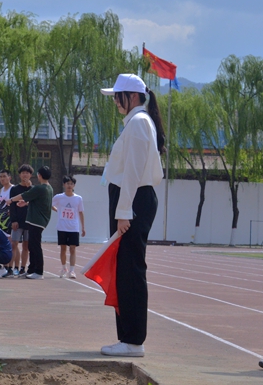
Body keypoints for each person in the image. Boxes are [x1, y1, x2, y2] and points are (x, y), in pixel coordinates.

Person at [98, 74, 164, 358]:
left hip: (133, 201)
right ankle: (128, 337)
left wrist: (124, 211)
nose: (115, 101)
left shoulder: (138, 123)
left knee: (130, 269)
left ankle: (133, 340)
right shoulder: (135, 123)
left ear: (133, 96)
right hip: (131, 200)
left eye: (118, 95)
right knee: (124, 268)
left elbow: (133, 172)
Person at [11, 166, 53, 280]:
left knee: (35, 246)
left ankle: (38, 271)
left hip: (37, 221)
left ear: (39, 175)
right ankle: (31, 270)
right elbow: (38, 201)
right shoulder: (48, 188)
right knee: (31, 246)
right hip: (38, 220)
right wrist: (26, 203)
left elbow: (24, 195)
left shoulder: (40, 188)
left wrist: (11, 200)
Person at [52, 175, 85, 279]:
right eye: (67, 183)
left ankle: (72, 270)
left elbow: (81, 212)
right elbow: (50, 204)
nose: (69, 186)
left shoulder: (78, 198)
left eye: (71, 184)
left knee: (73, 248)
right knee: (63, 248)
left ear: (74, 185)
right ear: (64, 185)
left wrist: (83, 227)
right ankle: (63, 268)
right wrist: (57, 210)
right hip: (62, 227)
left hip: (73, 227)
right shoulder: (59, 197)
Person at [7, 164, 33, 276]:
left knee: (26, 246)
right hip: (17, 221)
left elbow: (34, 203)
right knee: (14, 244)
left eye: (27, 173)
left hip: (29, 221)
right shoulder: (14, 189)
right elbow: (12, 205)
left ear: (31, 175)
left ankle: (23, 268)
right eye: (23, 173)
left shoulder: (33, 189)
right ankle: (10, 268)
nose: (25, 175)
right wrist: (13, 220)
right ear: (19, 175)